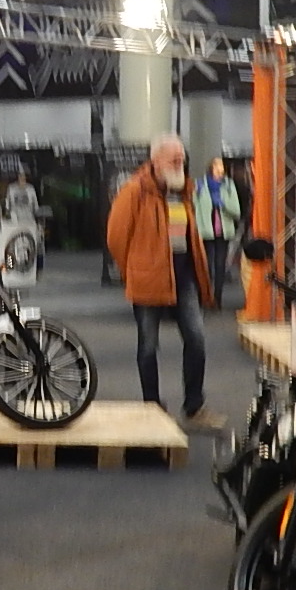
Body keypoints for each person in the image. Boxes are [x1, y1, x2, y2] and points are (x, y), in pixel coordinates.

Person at [106, 134, 223, 432]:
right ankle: (152, 407)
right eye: (174, 159)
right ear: (155, 161)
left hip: (184, 278)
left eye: (182, 159)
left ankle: (194, 407)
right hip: (148, 279)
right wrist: (135, 269)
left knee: (196, 339)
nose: (180, 163)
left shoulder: (184, 191)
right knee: (148, 345)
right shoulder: (134, 190)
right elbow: (116, 237)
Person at [193, 156, 242, 309]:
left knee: (220, 265)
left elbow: (236, 211)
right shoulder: (200, 185)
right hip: (206, 232)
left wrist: (223, 203)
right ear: (211, 168)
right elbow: (194, 209)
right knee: (206, 265)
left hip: (223, 233)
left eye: (222, 167)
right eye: (217, 167)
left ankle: (217, 298)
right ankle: (205, 297)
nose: (220, 170)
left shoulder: (228, 185)